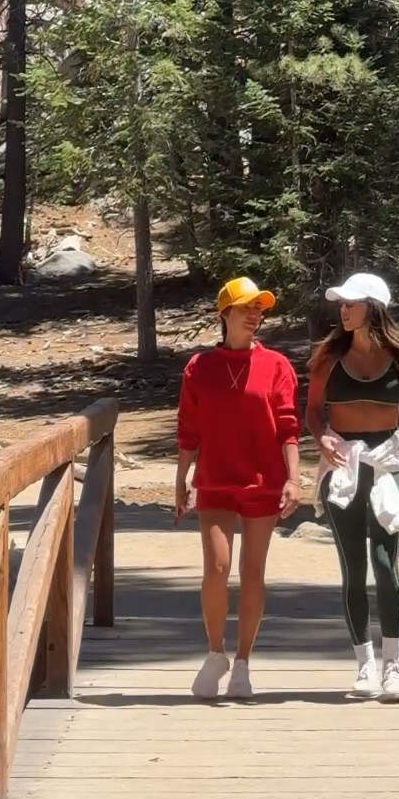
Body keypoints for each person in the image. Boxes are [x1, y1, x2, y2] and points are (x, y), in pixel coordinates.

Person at [306, 271, 399, 703]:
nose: (343, 309)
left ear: (374, 307)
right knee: (353, 568)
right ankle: (364, 665)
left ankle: (393, 664)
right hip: (344, 466)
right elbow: (314, 412)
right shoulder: (327, 356)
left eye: (351, 303)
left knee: (386, 563)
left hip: (390, 464)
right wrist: (323, 438)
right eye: (342, 303)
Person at [175, 275, 300, 700]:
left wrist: (295, 479)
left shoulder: (276, 365)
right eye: (246, 306)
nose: (254, 314)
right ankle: (215, 653)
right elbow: (188, 430)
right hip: (214, 480)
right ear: (223, 313)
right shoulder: (199, 367)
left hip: (263, 480)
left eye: (259, 308)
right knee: (216, 568)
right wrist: (181, 481)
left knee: (252, 572)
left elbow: (288, 427)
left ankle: (243, 662)